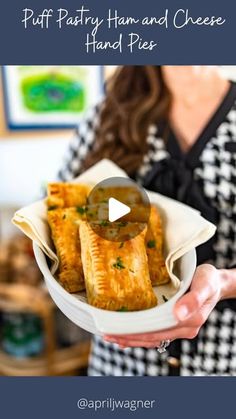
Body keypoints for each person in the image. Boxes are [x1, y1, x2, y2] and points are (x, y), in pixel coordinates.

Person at [58, 66, 236, 376]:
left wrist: (226, 284)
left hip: (222, 365)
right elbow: (60, 222)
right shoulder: (109, 113)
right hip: (121, 366)